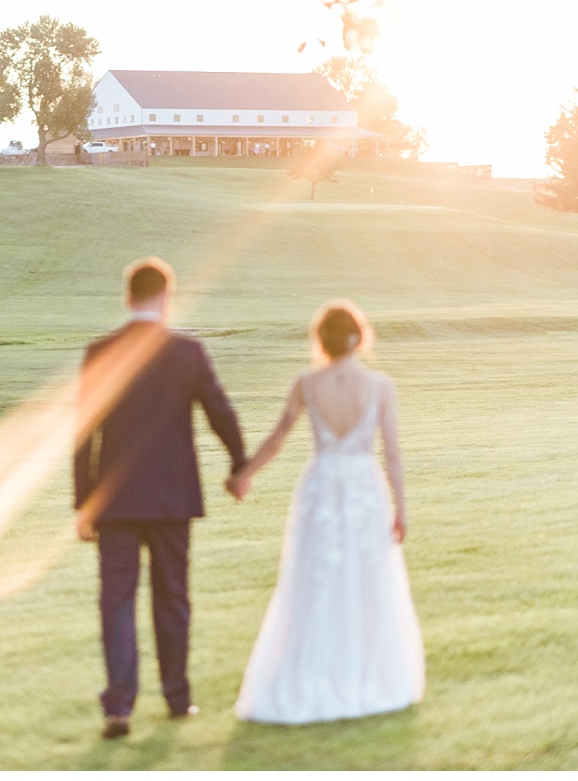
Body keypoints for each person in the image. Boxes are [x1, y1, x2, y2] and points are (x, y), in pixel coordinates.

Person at [226, 300, 424, 723]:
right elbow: (391, 453)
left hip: (320, 487)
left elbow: (278, 438)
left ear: (321, 340)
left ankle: (311, 670)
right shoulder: (380, 385)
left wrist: (245, 474)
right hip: (363, 488)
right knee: (365, 579)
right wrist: (401, 508)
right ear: (359, 338)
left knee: (314, 579)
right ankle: (361, 670)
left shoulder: (306, 382)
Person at [73, 257, 247, 739]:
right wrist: (239, 465)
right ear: (166, 297)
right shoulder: (186, 352)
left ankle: (119, 707)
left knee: (116, 600)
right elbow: (219, 411)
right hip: (172, 499)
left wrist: (82, 502)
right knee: (172, 598)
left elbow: (82, 433)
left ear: (128, 298)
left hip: (115, 502)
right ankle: (177, 697)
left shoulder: (99, 352)